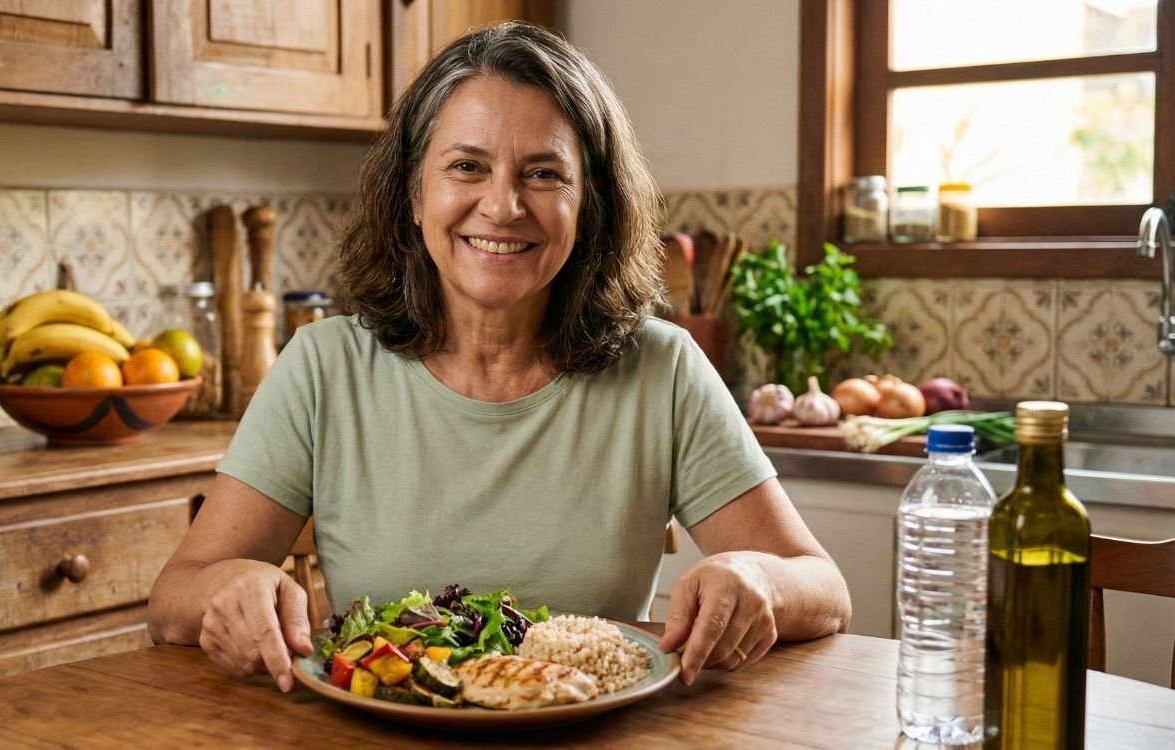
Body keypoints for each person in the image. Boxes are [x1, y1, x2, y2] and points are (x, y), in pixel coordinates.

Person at [147, 21, 850, 694]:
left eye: (543, 174)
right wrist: (228, 587)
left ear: (590, 205)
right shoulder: (322, 368)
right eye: (467, 167)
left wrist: (760, 579)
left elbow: (824, 589)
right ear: (413, 193)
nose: (504, 205)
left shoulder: (662, 370)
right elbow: (174, 597)